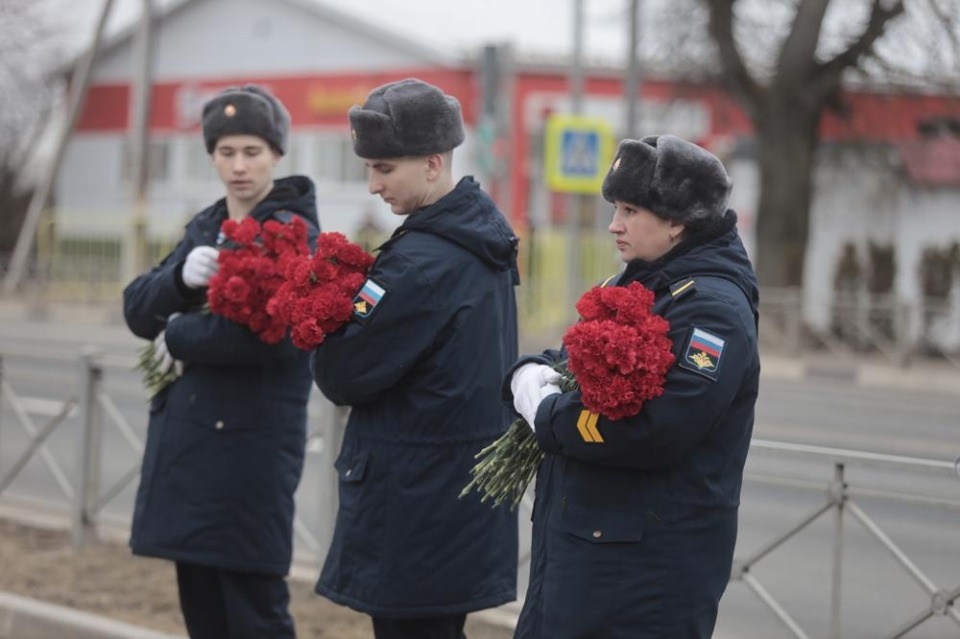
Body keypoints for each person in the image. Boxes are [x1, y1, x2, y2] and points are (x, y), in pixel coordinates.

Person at [507, 134, 760, 638]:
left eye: (629, 210)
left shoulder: (711, 311)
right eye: (615, 207)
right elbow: (576, 357)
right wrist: (529, 372)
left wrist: (548, 415)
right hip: (597, 556)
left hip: (645, 573)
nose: (613, 224)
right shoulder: (646, 281)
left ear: (677, 221)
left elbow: (656, 427)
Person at [310, 78, 520, 639]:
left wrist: (323, 322)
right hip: (451, 500)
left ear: (432, 163)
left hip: (415, 505)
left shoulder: (420, 263)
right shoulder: (479, 239)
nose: (372, 185)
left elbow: (343, 373)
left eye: (384, 168)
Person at [123, 84, 319, 639]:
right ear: (211, 155)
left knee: (254, 610)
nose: (238, 166)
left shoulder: (295, 233)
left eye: (252, 152)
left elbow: (275, 336)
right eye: (226, 152)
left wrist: (180, 333)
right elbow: (136, 311)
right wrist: (178, 279)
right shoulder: (205, 227)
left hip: (248, 454)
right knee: (202, 608)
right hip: (189, 450)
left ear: (277, 155)